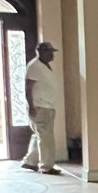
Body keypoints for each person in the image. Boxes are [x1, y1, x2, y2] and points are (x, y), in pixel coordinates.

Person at [21, 41, 61, 174]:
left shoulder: (46, 66)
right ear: (41, 52)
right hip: (40, 106)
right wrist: (31, 106)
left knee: (40, 136)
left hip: (48, 106)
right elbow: (28, 88)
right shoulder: (34, 67)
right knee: (45, 138)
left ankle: (30, 161)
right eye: (50, 52)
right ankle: (46, 166)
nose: (52, 55)